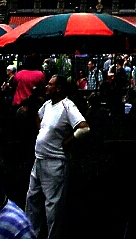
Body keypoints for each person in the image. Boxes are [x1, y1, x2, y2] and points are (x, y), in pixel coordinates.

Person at [24, 76, 89, 239]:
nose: (47, 86)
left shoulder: (67, 106)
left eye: (50, 84)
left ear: (59, 88)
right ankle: (31, 234)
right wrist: (43, 132)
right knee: (32, 200)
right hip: (39, 159)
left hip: (55, 162)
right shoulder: (47, 105)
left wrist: (67, 141)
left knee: (53, 207)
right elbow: (38, 116)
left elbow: (84, 128)